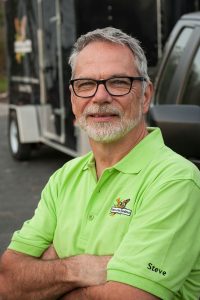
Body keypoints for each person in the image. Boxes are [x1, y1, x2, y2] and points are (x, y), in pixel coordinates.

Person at [0, 27, 200, 300]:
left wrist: (46, 272)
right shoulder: (65, 177)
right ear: (73, 99)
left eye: (118, 82)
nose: (100, 97)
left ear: (145, 96)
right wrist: (78, 268)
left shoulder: (175, 181)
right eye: (85, 84)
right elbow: (8, 281)